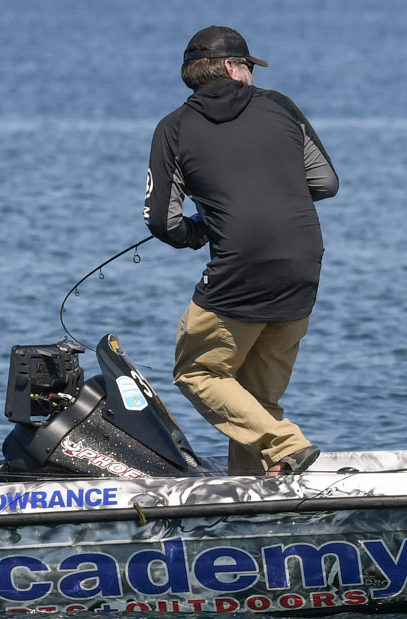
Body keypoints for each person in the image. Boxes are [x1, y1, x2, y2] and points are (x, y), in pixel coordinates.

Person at [143, 25, 338, 476]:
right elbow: (326, 182)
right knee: (256, 399)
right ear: (232, 67)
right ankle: (256, 488)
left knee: (197, 373)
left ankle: (288, 444)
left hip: (240, 270)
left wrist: (197, 231)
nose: (252, 74)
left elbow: (162, 222)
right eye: (249, 65)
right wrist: (278, 192)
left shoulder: (173, 128)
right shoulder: (280, 106)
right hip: (303, 263)